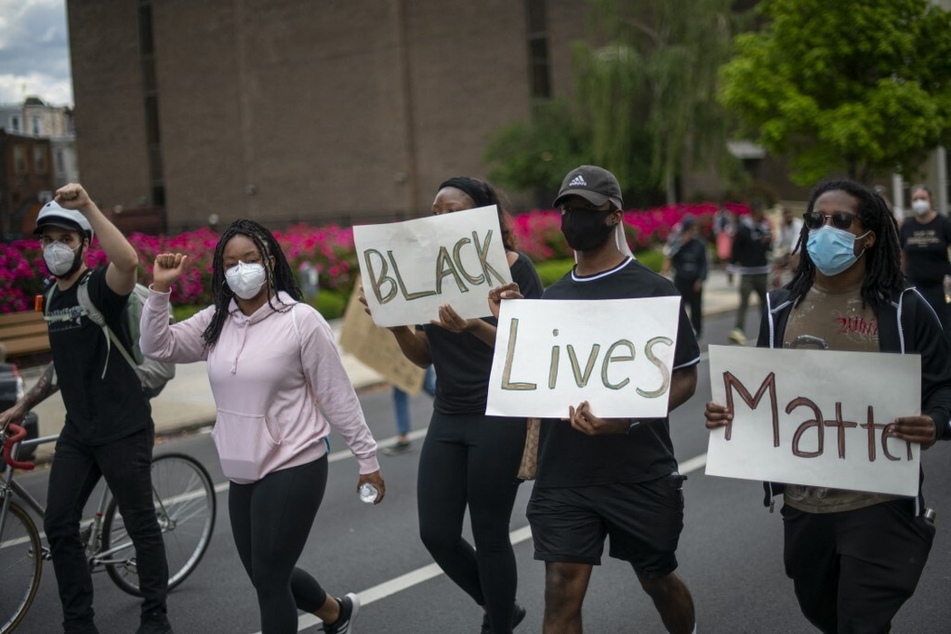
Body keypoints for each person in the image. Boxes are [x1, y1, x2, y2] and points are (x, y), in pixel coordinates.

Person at [704, 179, 951, 633]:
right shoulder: (780, 310)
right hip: (806, 509)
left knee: (862, 622)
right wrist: (727, 414)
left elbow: (944, 385)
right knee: (824, 612)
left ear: (869, 236)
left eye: (841, 221)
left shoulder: (904, 309)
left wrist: (937, 422)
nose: (825, 229)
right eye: (817, 220)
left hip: (880, 504)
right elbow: (760, 397)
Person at [139, 219, 384, 634]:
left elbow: (337, 394)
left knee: (270, 577)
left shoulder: (300, 321)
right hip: (242, 466)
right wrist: (160, 289)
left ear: (269, 261)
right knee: (264, 572)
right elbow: (156, 346)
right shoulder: (217, 321)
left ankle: (330, 615)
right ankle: (335, 613)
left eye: (249, 260)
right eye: (231, 263)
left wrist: (367, 458)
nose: (240, 270)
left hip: (295, 462)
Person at [491, 165, 700, 634]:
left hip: (638, 471)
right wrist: (511, 326)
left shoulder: (655, 292)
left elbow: (685, 379)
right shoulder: (550, 301)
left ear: (614, 215)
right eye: (566, 208)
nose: (572, 218)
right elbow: (531, 380)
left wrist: (625, 420)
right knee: (561, 590)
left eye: (585, 208)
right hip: (564, 472)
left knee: (658, 580)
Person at [363, 177, 542, 633]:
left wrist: (474, 327)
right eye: (436, 211)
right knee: (436, 533)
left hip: (499, 415)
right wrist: (395, 325)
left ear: (482, 216)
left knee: (489, 532)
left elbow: (532, 350)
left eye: (453, 210)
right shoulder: (428, 272)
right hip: (448, 414)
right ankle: (502, 606)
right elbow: (425, 353)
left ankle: (497, 623)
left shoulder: (517, 272)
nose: (440, 218)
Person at [0, 184, 173, 634]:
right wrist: (21, 405)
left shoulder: (101, 288)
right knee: (58, 526)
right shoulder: (54, 298)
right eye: (47, 240)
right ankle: (79, 623)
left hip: (123, 428)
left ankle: (155, 616)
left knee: (141, 526)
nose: (54, 248)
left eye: (66, 238)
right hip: (79, 433)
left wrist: (89, 207)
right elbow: (62, 365)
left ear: (84, 245)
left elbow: (130, 262)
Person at [899, 183, 951, 334]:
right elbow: (902, 254)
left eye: (922, 198)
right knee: (918, 326)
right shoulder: (907, 227)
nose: (919, 202)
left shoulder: (943, 223)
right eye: (915, 199)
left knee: (943, 326)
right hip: (915, 285)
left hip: (940, 287)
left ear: (930, 200)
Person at [728, 202, 772, 345]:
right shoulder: (743, 229)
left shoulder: (764, 228)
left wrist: (767, 242)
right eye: (761, 211)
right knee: (744, 303)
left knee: (765, 304)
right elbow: (735, 249)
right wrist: (731, 267)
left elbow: (769, 248)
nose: (763, 214)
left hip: (762, 271)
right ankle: (738, 330)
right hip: (747, 272)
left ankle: (768, 330)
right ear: (755, 211)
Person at [661, 214, 708, 339]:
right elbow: (670, 256)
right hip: (681, 280)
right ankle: (680, 332)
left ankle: (697, 332)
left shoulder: (700, 243)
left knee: (696, 309)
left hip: (695, 281)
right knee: (680, 308)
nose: (694, 231)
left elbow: (704, 263)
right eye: (692, 229)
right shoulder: (677, 242)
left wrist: (701, 279)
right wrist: (681, 243)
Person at [384, 366, 436, 455]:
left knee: (429, 387)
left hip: (408, 360)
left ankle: (403, 438)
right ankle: (403, 437)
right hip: (406, 359)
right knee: (400, 394)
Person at [771, 205, 803, 289]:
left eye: (790, 215)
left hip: (800, 249)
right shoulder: (783, 225)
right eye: (786, 216)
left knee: (795, 262)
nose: (789, 217)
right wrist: (775, 249)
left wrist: (792, 253)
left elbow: (797, 240)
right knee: (777, 263)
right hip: (789, 250)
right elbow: (780, 241)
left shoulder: (798, 224)